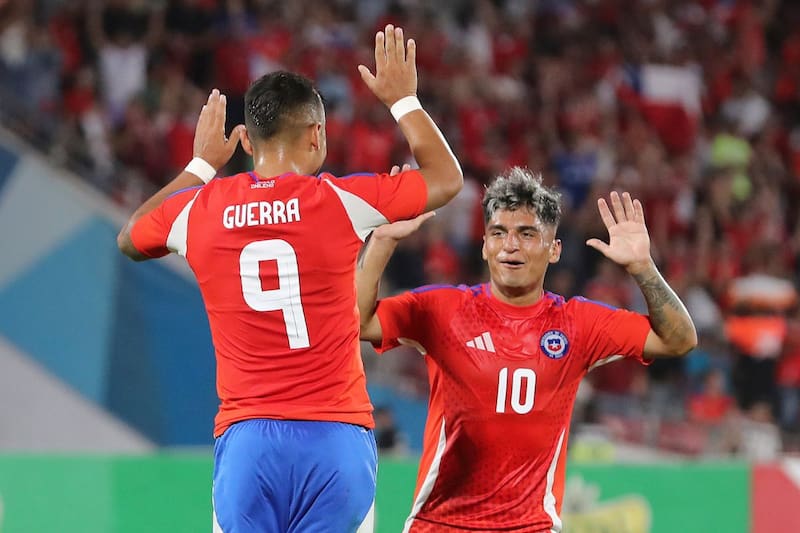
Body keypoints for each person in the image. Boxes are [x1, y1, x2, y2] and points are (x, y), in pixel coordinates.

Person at [116, 24, 462, 533]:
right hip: (336, 442)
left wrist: (199, 166)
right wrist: (404, 101)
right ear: (316, 134)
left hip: (248, 446)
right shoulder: (342, 202)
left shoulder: (199, 211)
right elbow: (446, 179)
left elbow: (129, 238)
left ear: (250, 143)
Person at [357, 167, 697, 532]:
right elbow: (358, 323)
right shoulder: (443, 310)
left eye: (526, 234)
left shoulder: (578, 324)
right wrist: (381, 244)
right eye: (498, 233)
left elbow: (680, 339)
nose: (510, 245)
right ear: (485, 244)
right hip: (440, 524)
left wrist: (644, 268)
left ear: (554, 250)